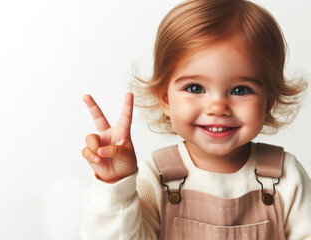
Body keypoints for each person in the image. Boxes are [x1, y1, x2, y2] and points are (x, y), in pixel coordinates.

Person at [80, 0, 311, 239]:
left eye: (240, 90)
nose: (217, 107)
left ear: (268, 102)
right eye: (195, 88)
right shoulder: (156, 179)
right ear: (165, 99)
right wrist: (115, 184)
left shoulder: (286, 177)